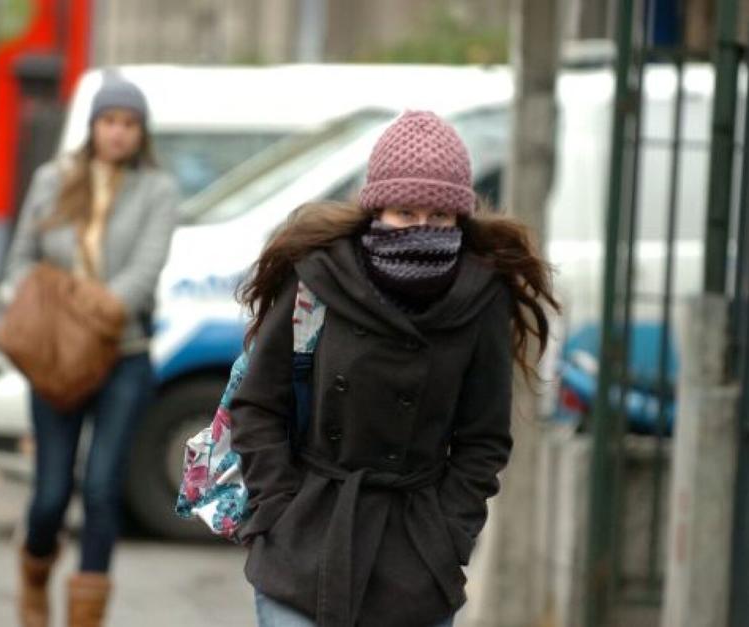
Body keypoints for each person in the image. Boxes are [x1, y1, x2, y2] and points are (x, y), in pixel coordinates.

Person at [230, 110, 559, 627]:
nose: (421, 229)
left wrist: (448, 535)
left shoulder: (480, 299)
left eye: (439, 217)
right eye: (405, 213)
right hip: (306, 548)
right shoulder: (319, 279)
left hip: (412, 562)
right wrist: (279, 508)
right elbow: (257, 406)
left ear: (461, 219)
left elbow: (484, 440)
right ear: (375, 211)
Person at [0, 75, 179, 627]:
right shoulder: (53, 180)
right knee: (51, 493)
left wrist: (69, 303)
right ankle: (34, 575)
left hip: (123, 354)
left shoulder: (158, 189)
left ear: (140, 132)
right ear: (93, 126)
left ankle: (84, 618)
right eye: (109, 121)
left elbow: (141, 280)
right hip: (56, 358)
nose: (118, 133)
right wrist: (42, 307)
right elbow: (21, 264)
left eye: (128, 124)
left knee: (102, 489)